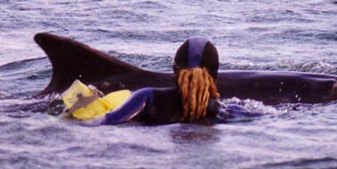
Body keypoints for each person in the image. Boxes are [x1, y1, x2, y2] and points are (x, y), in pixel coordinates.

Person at [90, 37, 235, 125]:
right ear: (214, 76)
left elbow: (105, 122)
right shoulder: (227, 110)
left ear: (174, 71)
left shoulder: (147, 97)